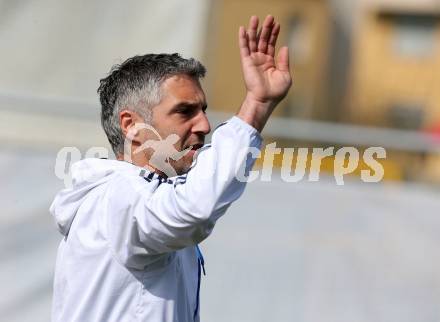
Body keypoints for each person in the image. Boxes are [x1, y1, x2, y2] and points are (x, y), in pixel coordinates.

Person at [50, 15, 292, 322]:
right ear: (132, 125)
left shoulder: (142, 195)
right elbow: (194, 209)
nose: (204, 124)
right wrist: (254, 108)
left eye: (203, 110)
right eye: (184, 112)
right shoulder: (119, 196)